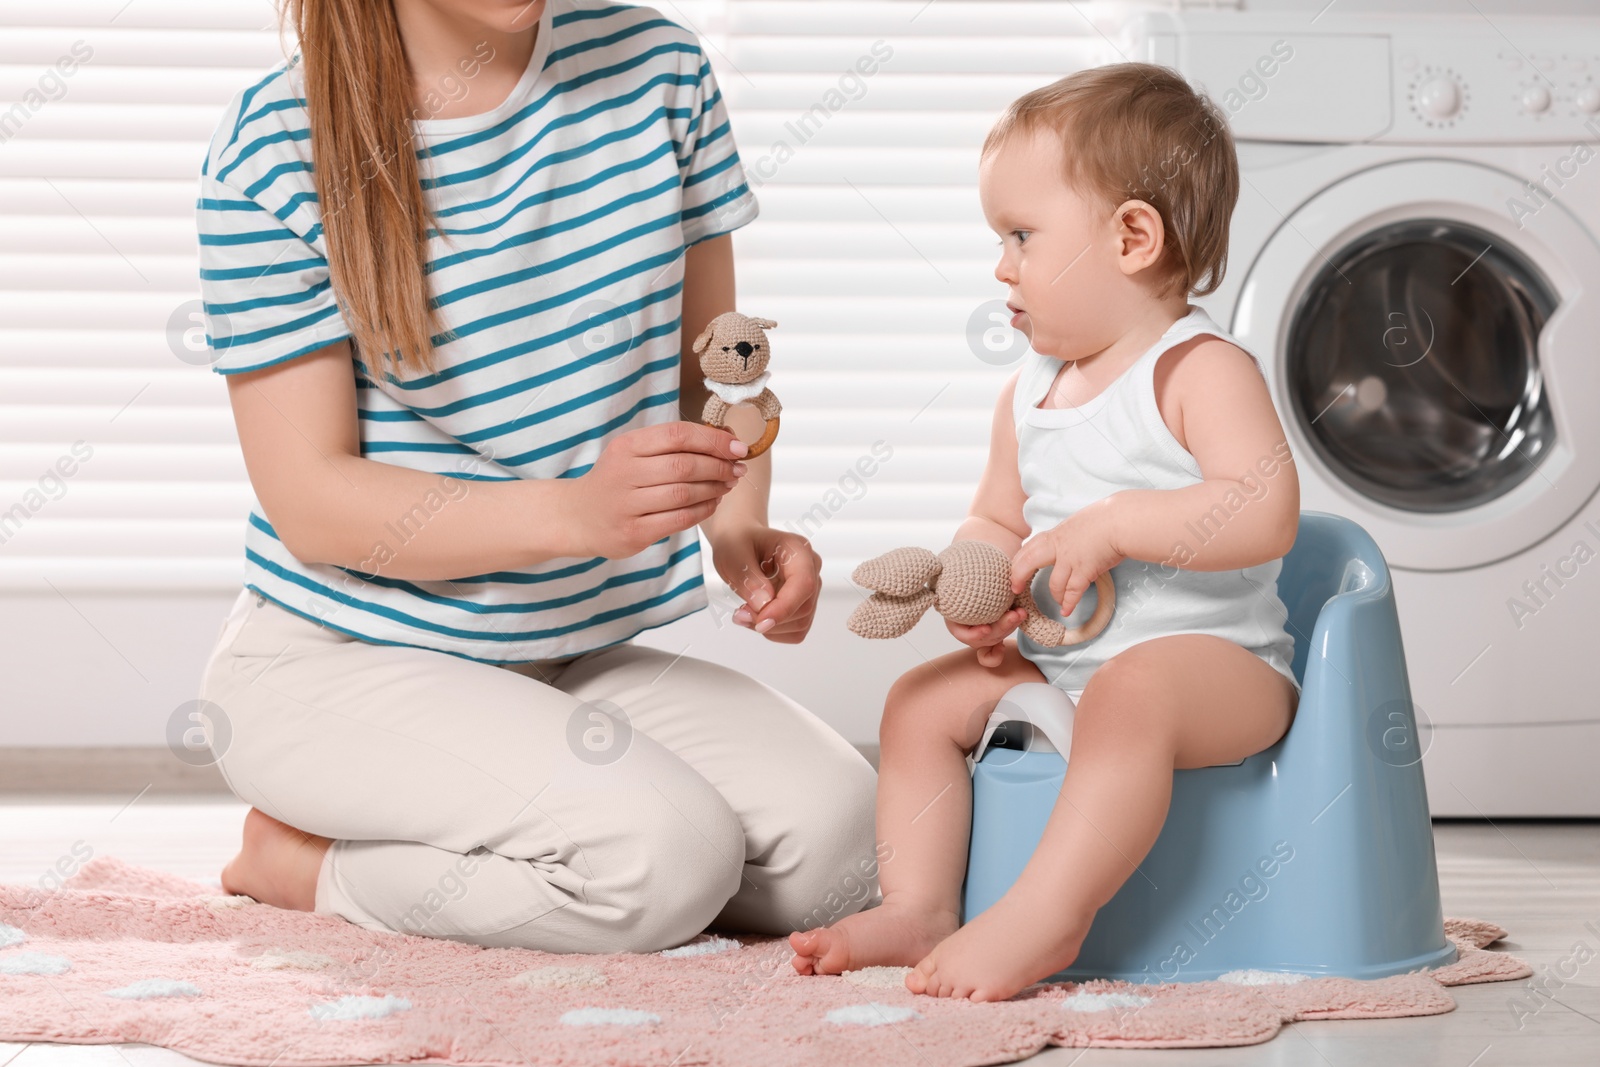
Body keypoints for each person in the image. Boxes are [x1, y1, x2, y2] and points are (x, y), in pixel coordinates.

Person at [194, 0, 875, 955]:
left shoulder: (659, 70)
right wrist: (573, 513)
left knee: (848, 848)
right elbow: (311, 501)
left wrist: (737, 528)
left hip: (561, 652)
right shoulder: (273, 147)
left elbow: (714, 372)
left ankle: (558, 832)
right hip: (340, 657)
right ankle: (303, 864)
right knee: (667, 860)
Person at [788, 62, 1303, 1001]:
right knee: (917, 704)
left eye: (1021, 235)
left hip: (1215, 669)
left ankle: (1045, 914)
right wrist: (979, 584)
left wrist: (1117, 525)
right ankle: (920, 902)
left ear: (1132, 237)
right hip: (1069, 663)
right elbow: (997, 515)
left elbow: (1265, 508)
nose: (1000, 264)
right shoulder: (1029, 391)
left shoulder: (1197, 371)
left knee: (1133, 690)